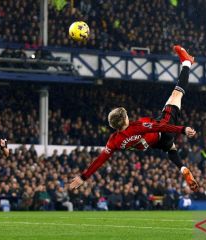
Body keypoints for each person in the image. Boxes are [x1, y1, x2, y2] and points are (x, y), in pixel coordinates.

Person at [70, 45, 199, 192]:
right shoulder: (137, 126)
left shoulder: (114, 141)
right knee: (176, 94)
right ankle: (187, 63)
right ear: (125, 119)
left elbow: (100, 160)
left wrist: (84, 177)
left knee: (170, 147)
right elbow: (160, 127)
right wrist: (183, 129)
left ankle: (182, 168)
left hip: (156, 144)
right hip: (163, 128)